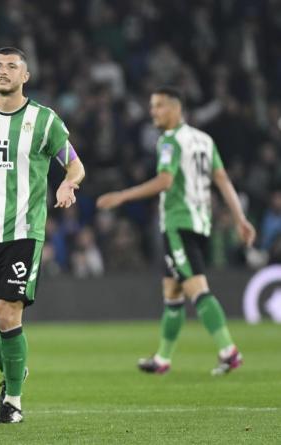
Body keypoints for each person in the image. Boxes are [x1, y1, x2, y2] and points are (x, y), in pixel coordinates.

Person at [0, 47, 85, 424]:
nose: (3, 71)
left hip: (23, 233)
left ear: (26, 76)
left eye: (12, 66)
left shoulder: (45, 121)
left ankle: (12, 400)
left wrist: (68, 185)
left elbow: (75, 166)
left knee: (8, 315)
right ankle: (15, 368)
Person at [97, 86, 256, 375]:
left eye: (158, 106)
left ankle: (228, 351)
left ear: (175, 108)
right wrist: (240, 218)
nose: (153, 112)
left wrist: (122, 195)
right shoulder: (204, 140)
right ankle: (163, 359)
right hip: (200, 223)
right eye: (152, 106)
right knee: (172, 290)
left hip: (178, 223)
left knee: (197, 289)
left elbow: (165, 181)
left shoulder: (169, 141)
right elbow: (222, 181)